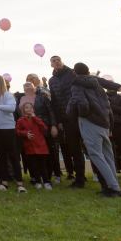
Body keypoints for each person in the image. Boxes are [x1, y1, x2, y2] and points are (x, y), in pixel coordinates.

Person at [67, 63, 121, 198]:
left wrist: (82, 114)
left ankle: (114, 188)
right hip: (104, 122)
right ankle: (114, 185)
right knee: (108, 155)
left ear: (75, 73)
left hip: (90, 121)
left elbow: (81, 103)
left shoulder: (76, 84)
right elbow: (107, 102)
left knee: (96, 155)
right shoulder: (97, 83)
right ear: (88, 71)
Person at [48, 55, 85, 187]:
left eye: (58, 60)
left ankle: (99, 174)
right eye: (53, 61)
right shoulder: (51, 81)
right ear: (51, 65)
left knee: (87, 147)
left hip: (80, 114)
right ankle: (80, 178)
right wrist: (58, 120)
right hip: (66, 118)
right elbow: (55, 102)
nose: (56, 62)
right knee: (74, 148)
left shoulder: (72, 73)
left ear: (62, 62)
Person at [15, 80, 59, 182]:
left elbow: (50, 111)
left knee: (47, 152)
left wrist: (53, 125)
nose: (27, 86)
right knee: (30, 155)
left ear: (34, 87)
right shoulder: (20, 98)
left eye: (29, 85)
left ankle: (50, 175)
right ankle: (34, 177)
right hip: (26, 128)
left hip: (41, 126)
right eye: (25, 85)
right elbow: (18, 113)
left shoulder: (42, 97)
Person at [16, 101, 51, 189]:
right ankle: (38, 181)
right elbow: (17, 131)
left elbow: (44, 128)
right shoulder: (21, 120)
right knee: (34, 165)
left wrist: (35, 118)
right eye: (26, 108)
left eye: (30, 107)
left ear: (33, 109)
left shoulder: (37, 118)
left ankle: (46, 182)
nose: (29, 109)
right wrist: (25, 133)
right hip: (30, 147)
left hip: (40, 145)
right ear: (23, 110)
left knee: (43, 165)